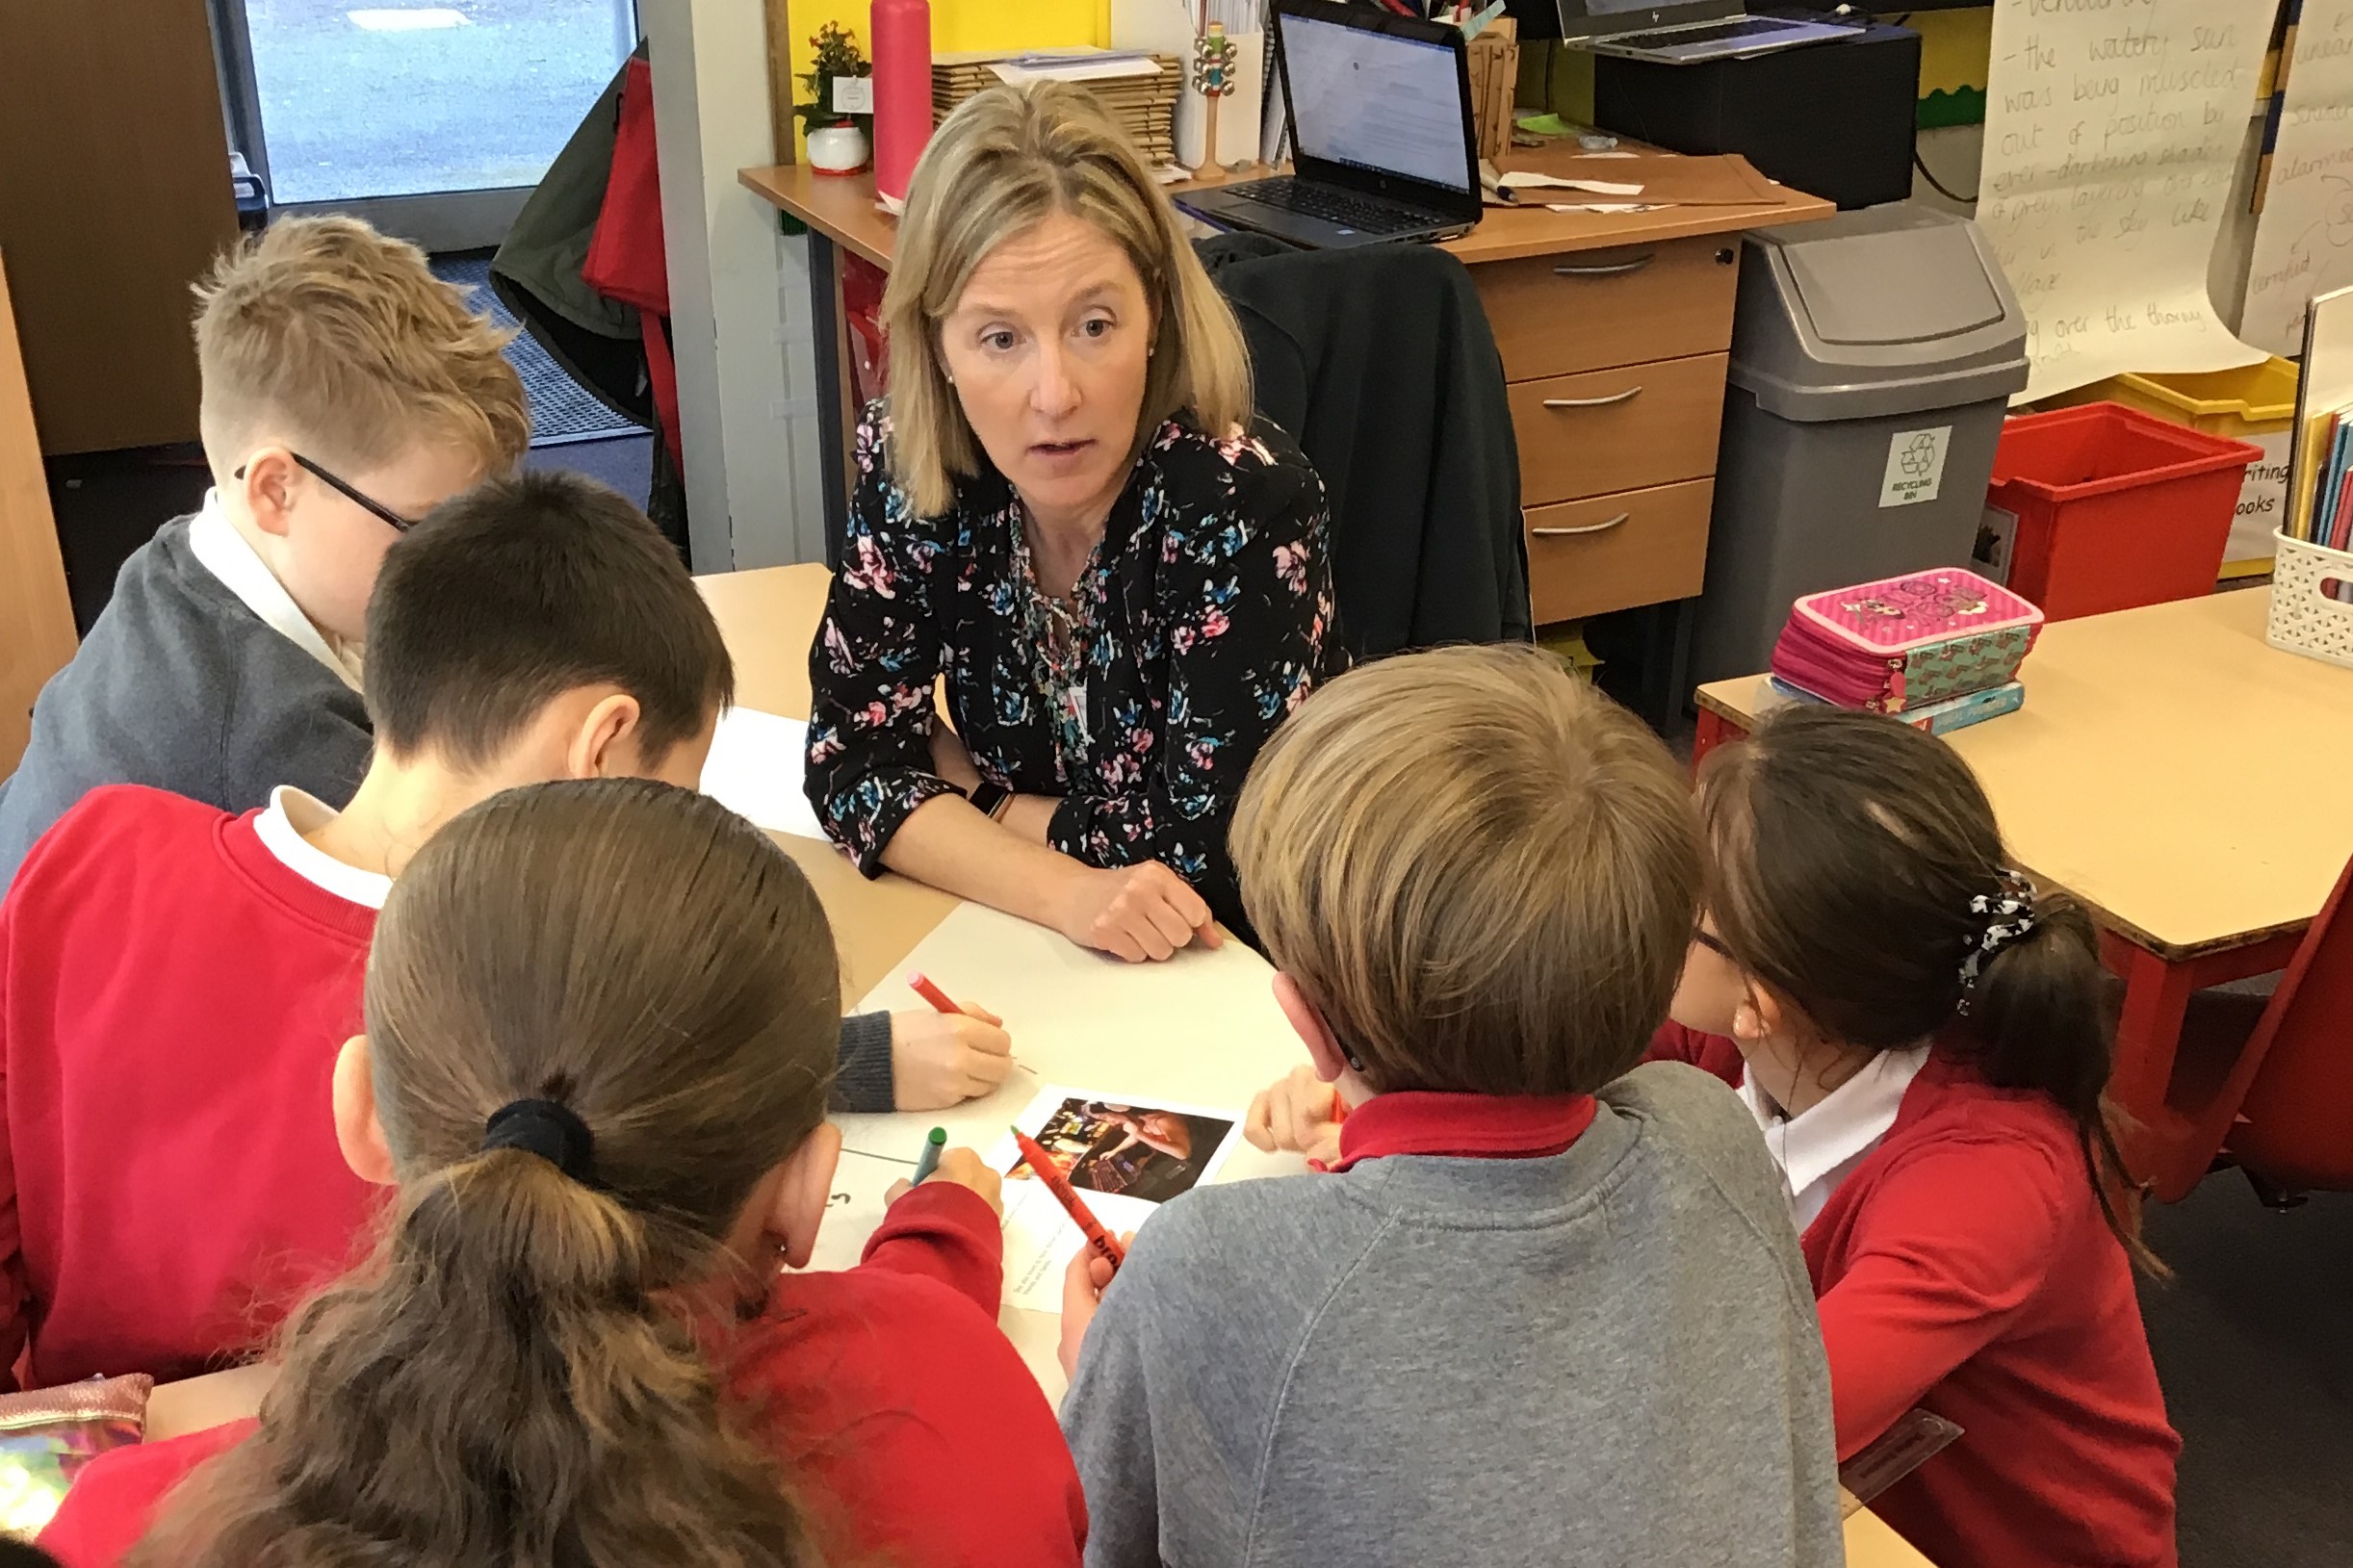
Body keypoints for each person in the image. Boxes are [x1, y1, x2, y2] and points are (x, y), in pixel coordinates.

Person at [0, 473, 1003, 1391]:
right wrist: (940, 1251)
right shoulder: (510, 1023)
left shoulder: (96, 849)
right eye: (673, 801)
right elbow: (690, 1379)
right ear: (600, 747)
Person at [39, 780, 1086, 1568]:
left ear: (361, 1114)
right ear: (809, 1192)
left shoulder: (125, 1526)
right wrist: (939, 1237)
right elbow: (883, 1365)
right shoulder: (955, 1407)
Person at [1056, 645, 1844, 1568]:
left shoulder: (1201, 1272)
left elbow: (1082, 1531)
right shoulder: (1711, 1128)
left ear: (1307, 1024)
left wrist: (1102, 1365)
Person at [804, 82, 1340, 963]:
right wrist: (1068, 892)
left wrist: (981, 804)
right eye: (999, 339)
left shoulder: (1241, 503)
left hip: (1238, 977)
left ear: (1156, 315)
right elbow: (850, 763)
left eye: (1094, 325)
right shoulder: (918, 463)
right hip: (1034, 950)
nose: (1054, 396)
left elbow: (1210, 865)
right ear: (936, 347)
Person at [1651, 707, 2178, 1568]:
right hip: (1845, 1498)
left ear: (1759, 996)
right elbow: (1543, 1050)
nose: (1643, 909)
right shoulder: (1769, 1027)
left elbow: (1756, 1429)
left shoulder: (1990, 1180)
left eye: (1675, 900)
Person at [0, 217, 530, 895]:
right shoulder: (276, 747)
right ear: (276, 490)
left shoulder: (189, 557)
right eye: (425, 528)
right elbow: (470, 911)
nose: (464, 569)